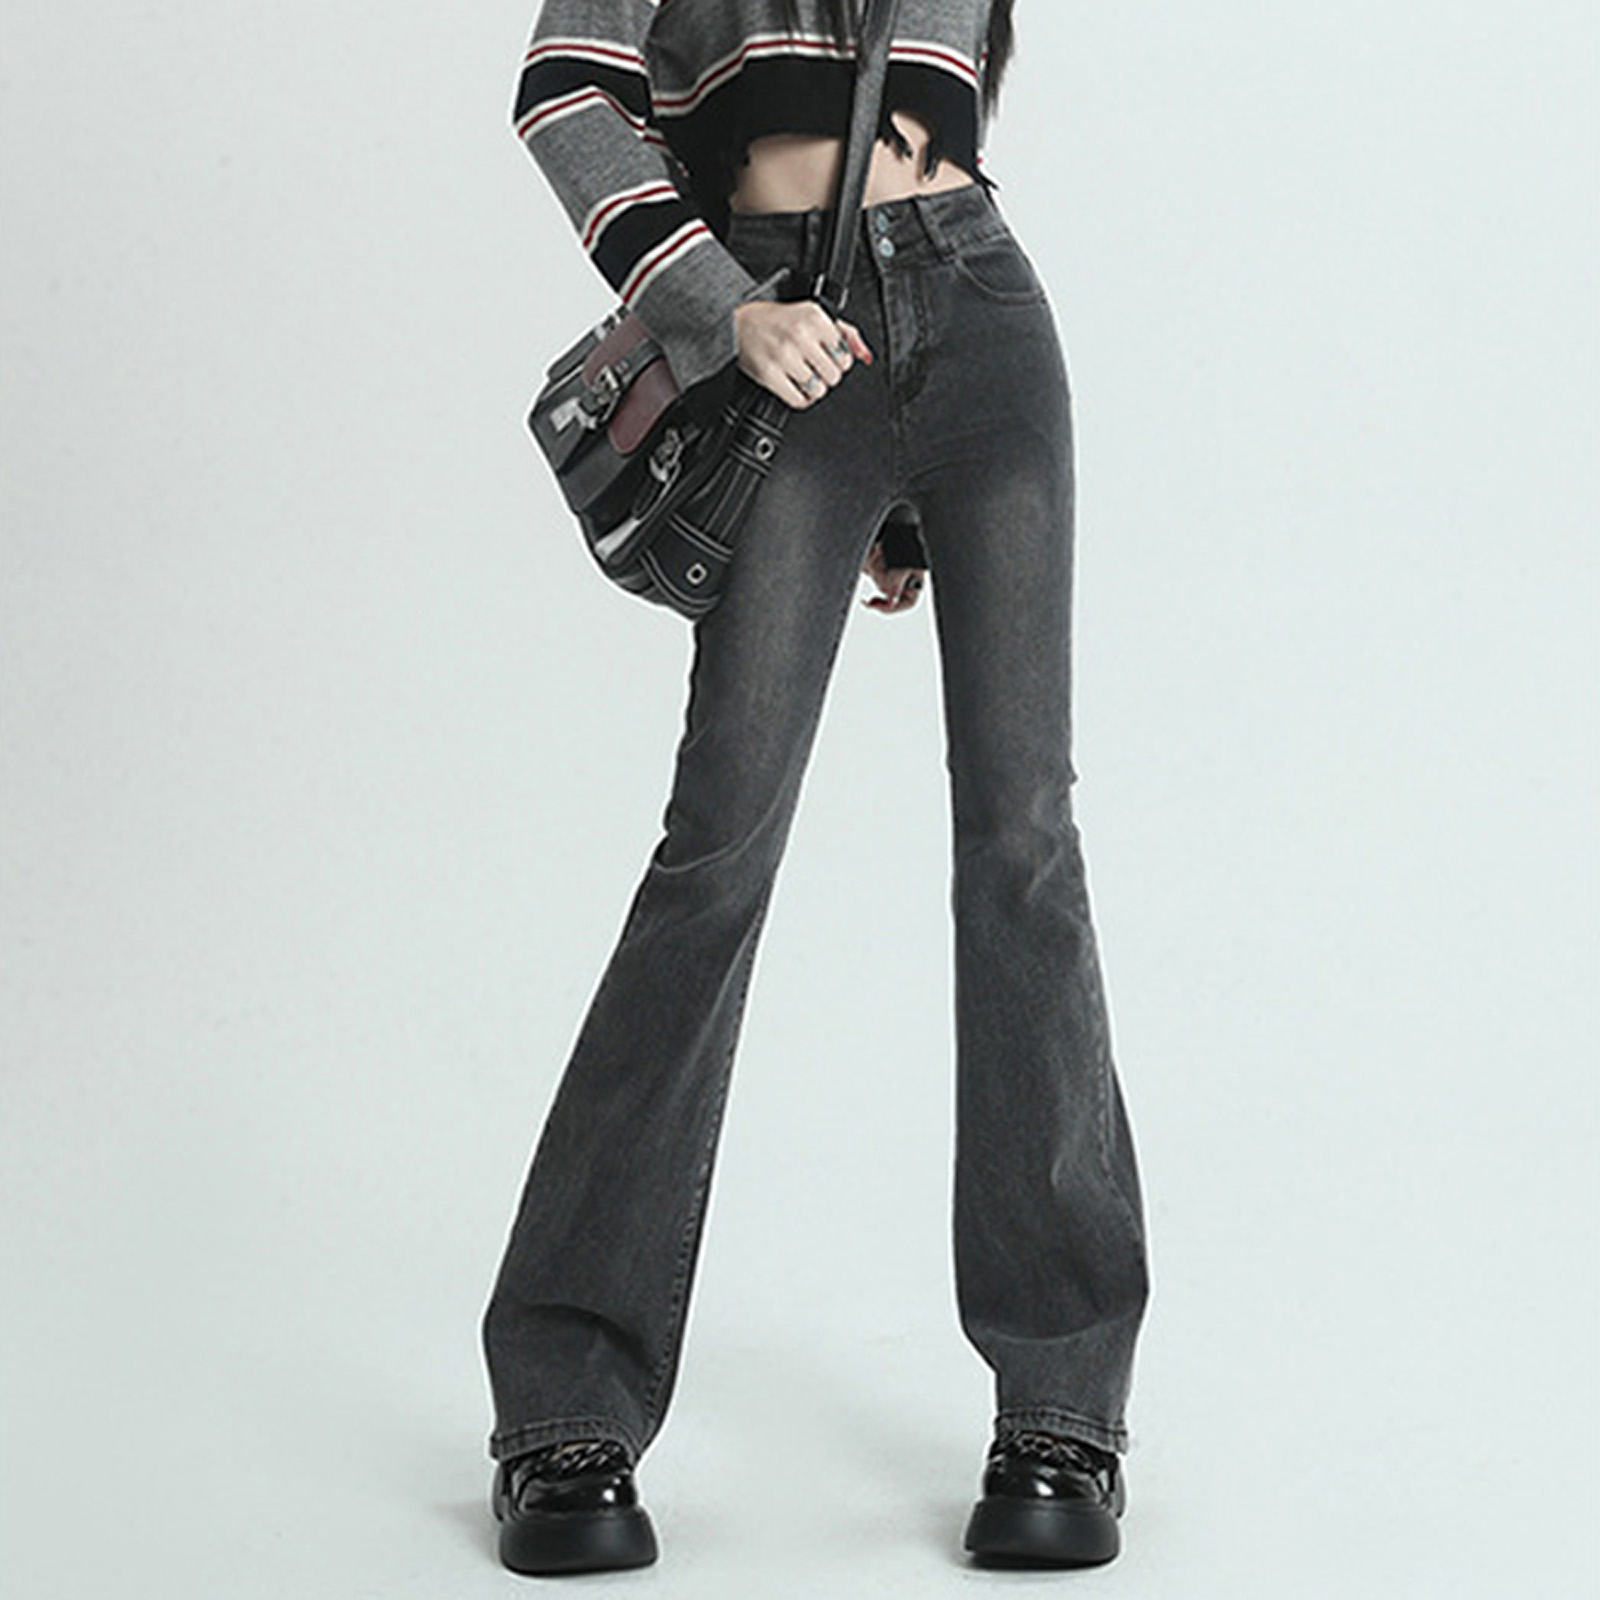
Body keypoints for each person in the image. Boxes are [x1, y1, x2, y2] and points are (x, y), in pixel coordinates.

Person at [481, 0, 1152, 1575]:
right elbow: (563, 88)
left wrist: (901, 503)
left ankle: (1063, 1408)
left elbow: (928, 109)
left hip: (983, 315)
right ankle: (565, 1400)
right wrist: (719, 305)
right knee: (718, 845)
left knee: (1025, 839)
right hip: (782, 328)